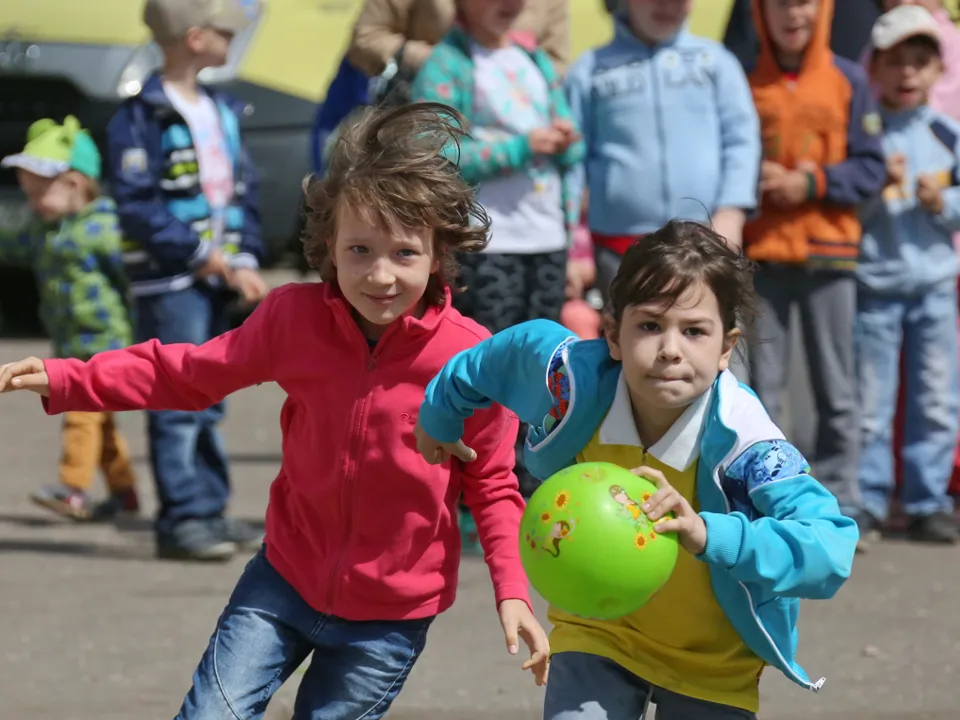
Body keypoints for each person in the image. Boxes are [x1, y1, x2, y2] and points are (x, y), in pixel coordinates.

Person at [0, 102, 549, 719]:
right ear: (328, 247)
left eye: (404, 254)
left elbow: (495, 485)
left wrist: (513, 592)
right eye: (360, 249)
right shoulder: (294, 318)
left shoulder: (470, 360)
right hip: (283, 581)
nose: (380, 275)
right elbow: (187, 374)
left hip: (390, 615)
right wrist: (67, 377)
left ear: (438, 254)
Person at [413, 220, 858, 719]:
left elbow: (831, 547)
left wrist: (710, 533)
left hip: (713, 663)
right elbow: (504, 354)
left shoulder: (747, 444)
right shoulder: (576, 382)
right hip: (598, 631)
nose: (670, 349)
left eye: (694, 331)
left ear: (726, 349)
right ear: (613, 335)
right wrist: (439, 414)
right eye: (650, 325)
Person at [106, 0, 269, 560]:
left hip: (215, 275)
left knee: (209, 395)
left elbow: (239, 190)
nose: (232, 40)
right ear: (195, 38)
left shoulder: (220, 108)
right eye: (225, 31)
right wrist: (200, 253)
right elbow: (137, 206)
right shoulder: (140, 116)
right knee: (177, 399)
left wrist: (243, 256)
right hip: (172, 281)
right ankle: (181, 519)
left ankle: (210, 510)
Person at [744, 0, 886, 524]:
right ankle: (769, 497)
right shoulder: (745, 80)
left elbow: (871, 168)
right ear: (760, 13)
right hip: (762, 257)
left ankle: (843, 499)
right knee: (764, 389)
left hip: (831, 257)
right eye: (779, 4)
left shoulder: (849, 79)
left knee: (837, 387)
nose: (792, 14)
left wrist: (811, 182)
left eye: (804, 3)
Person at [565, 0, 761, 302]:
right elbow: (572, 160)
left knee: (713, 341)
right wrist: (574, 244)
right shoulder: (590, 69)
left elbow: (741, 141)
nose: (667, 6)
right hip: (618, 250)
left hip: (706, 245)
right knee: (628, 344)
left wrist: (731, 213)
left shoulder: (716, 62)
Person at [856, 4, 960, 544]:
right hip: (875, 285)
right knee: (873, 401)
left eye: (920, 62)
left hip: (936, 286)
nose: (908, 74)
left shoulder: (947, 133)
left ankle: (927, 500)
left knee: (937, 399)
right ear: (875, 68)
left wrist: (943, 203)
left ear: (937, 72)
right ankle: (870, 498)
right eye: (897, 62)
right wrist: (875, 189)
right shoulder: (867, 133)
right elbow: (850, 202)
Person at [0, 116, 138, 521]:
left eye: (39, 194)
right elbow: (10, 243)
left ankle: (72, 489)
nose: (32, 204)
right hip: (70, 344)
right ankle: (124, 492)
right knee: (102, 424)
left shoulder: (106, 228)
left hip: (105, 344)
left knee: (81, 414)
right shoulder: (46, 229)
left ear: (74, 184)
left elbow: (130, 278)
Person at [347, 0, 570, 82]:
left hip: (516, 146)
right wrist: (432, 61)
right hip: (427, 127)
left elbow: (556, 63)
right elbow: (366, 37)